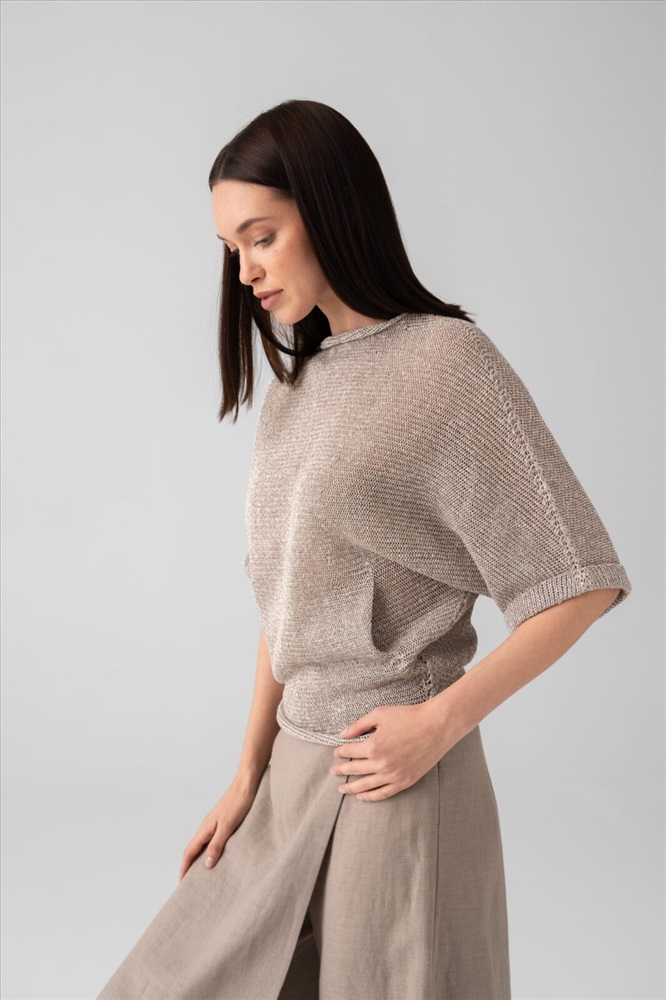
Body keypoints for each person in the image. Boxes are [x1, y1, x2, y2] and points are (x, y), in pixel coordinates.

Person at [96, 99, 632, 1000]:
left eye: (261, 237)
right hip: (292, 771)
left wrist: (439, 724)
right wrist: (247, 774)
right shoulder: (297, 389)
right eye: (231, 248)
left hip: (399, 783)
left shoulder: (449, 364)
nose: (244, 271)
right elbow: (288, 602)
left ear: (330, 209)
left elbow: (580, 582)